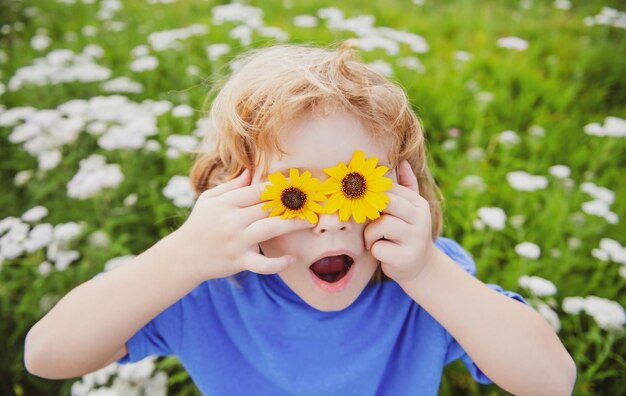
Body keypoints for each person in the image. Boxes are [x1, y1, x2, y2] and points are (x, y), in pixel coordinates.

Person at [24, 42, 576, 395]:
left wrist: (429, 272)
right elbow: (48, 356)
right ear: (229, 193)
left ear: (405, 188)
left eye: (356, 186)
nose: (332, 221)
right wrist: (180, 259)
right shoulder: (203, 291)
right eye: (295, 194)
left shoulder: (425, 284)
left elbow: (552, 382)